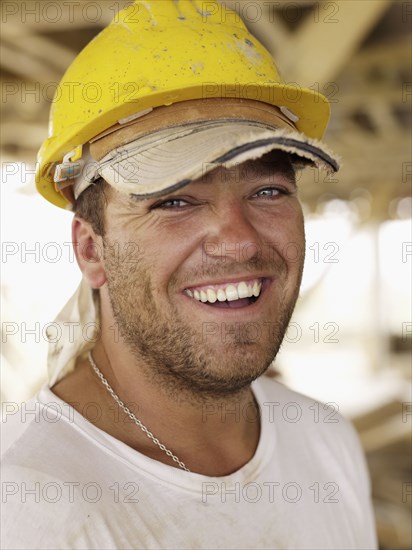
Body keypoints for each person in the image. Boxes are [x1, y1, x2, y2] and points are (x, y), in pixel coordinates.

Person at [1, 1, 377, 548]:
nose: (240, 240)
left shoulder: (326, 440)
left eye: (268, 191)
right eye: (175, 201)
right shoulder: (30, 508)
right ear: (91, 251)